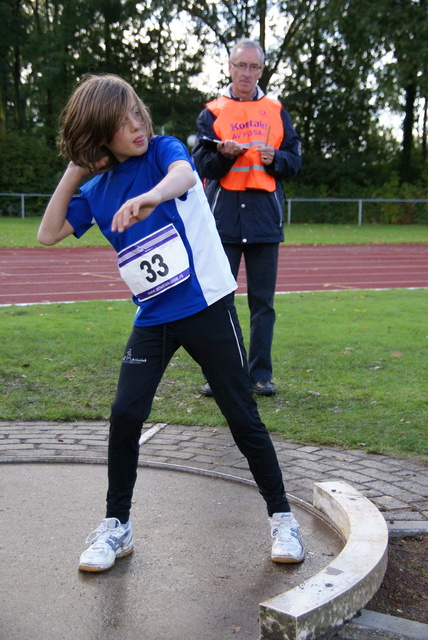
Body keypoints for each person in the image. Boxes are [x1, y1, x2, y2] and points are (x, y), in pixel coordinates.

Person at [37, 73, 305, 572]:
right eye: (120, 124)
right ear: (100, 135)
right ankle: (117, 527)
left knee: (241, 414)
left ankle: (283, 518)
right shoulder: (98, 188)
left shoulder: (163, 151)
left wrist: (153, 197)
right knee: (124, 414)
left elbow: (184, 177)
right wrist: (75, 170)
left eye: (136, 112)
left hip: (207, 307)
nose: (136, 126)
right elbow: (48, 232)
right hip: (154, 317)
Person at [193, 38, 302, 398]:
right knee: (219, 303)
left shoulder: (276, 110)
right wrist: (223, 155)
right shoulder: (212, 110)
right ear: (229, 67)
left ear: (262, 70)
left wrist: (278, 159)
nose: (247, 73)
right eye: (241, 65)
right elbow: (201, 165)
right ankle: (221, 374)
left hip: (264, 221)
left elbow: (295, 160)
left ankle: (260, 375)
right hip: (222, 220)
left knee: (262, 304)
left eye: (254, 67)